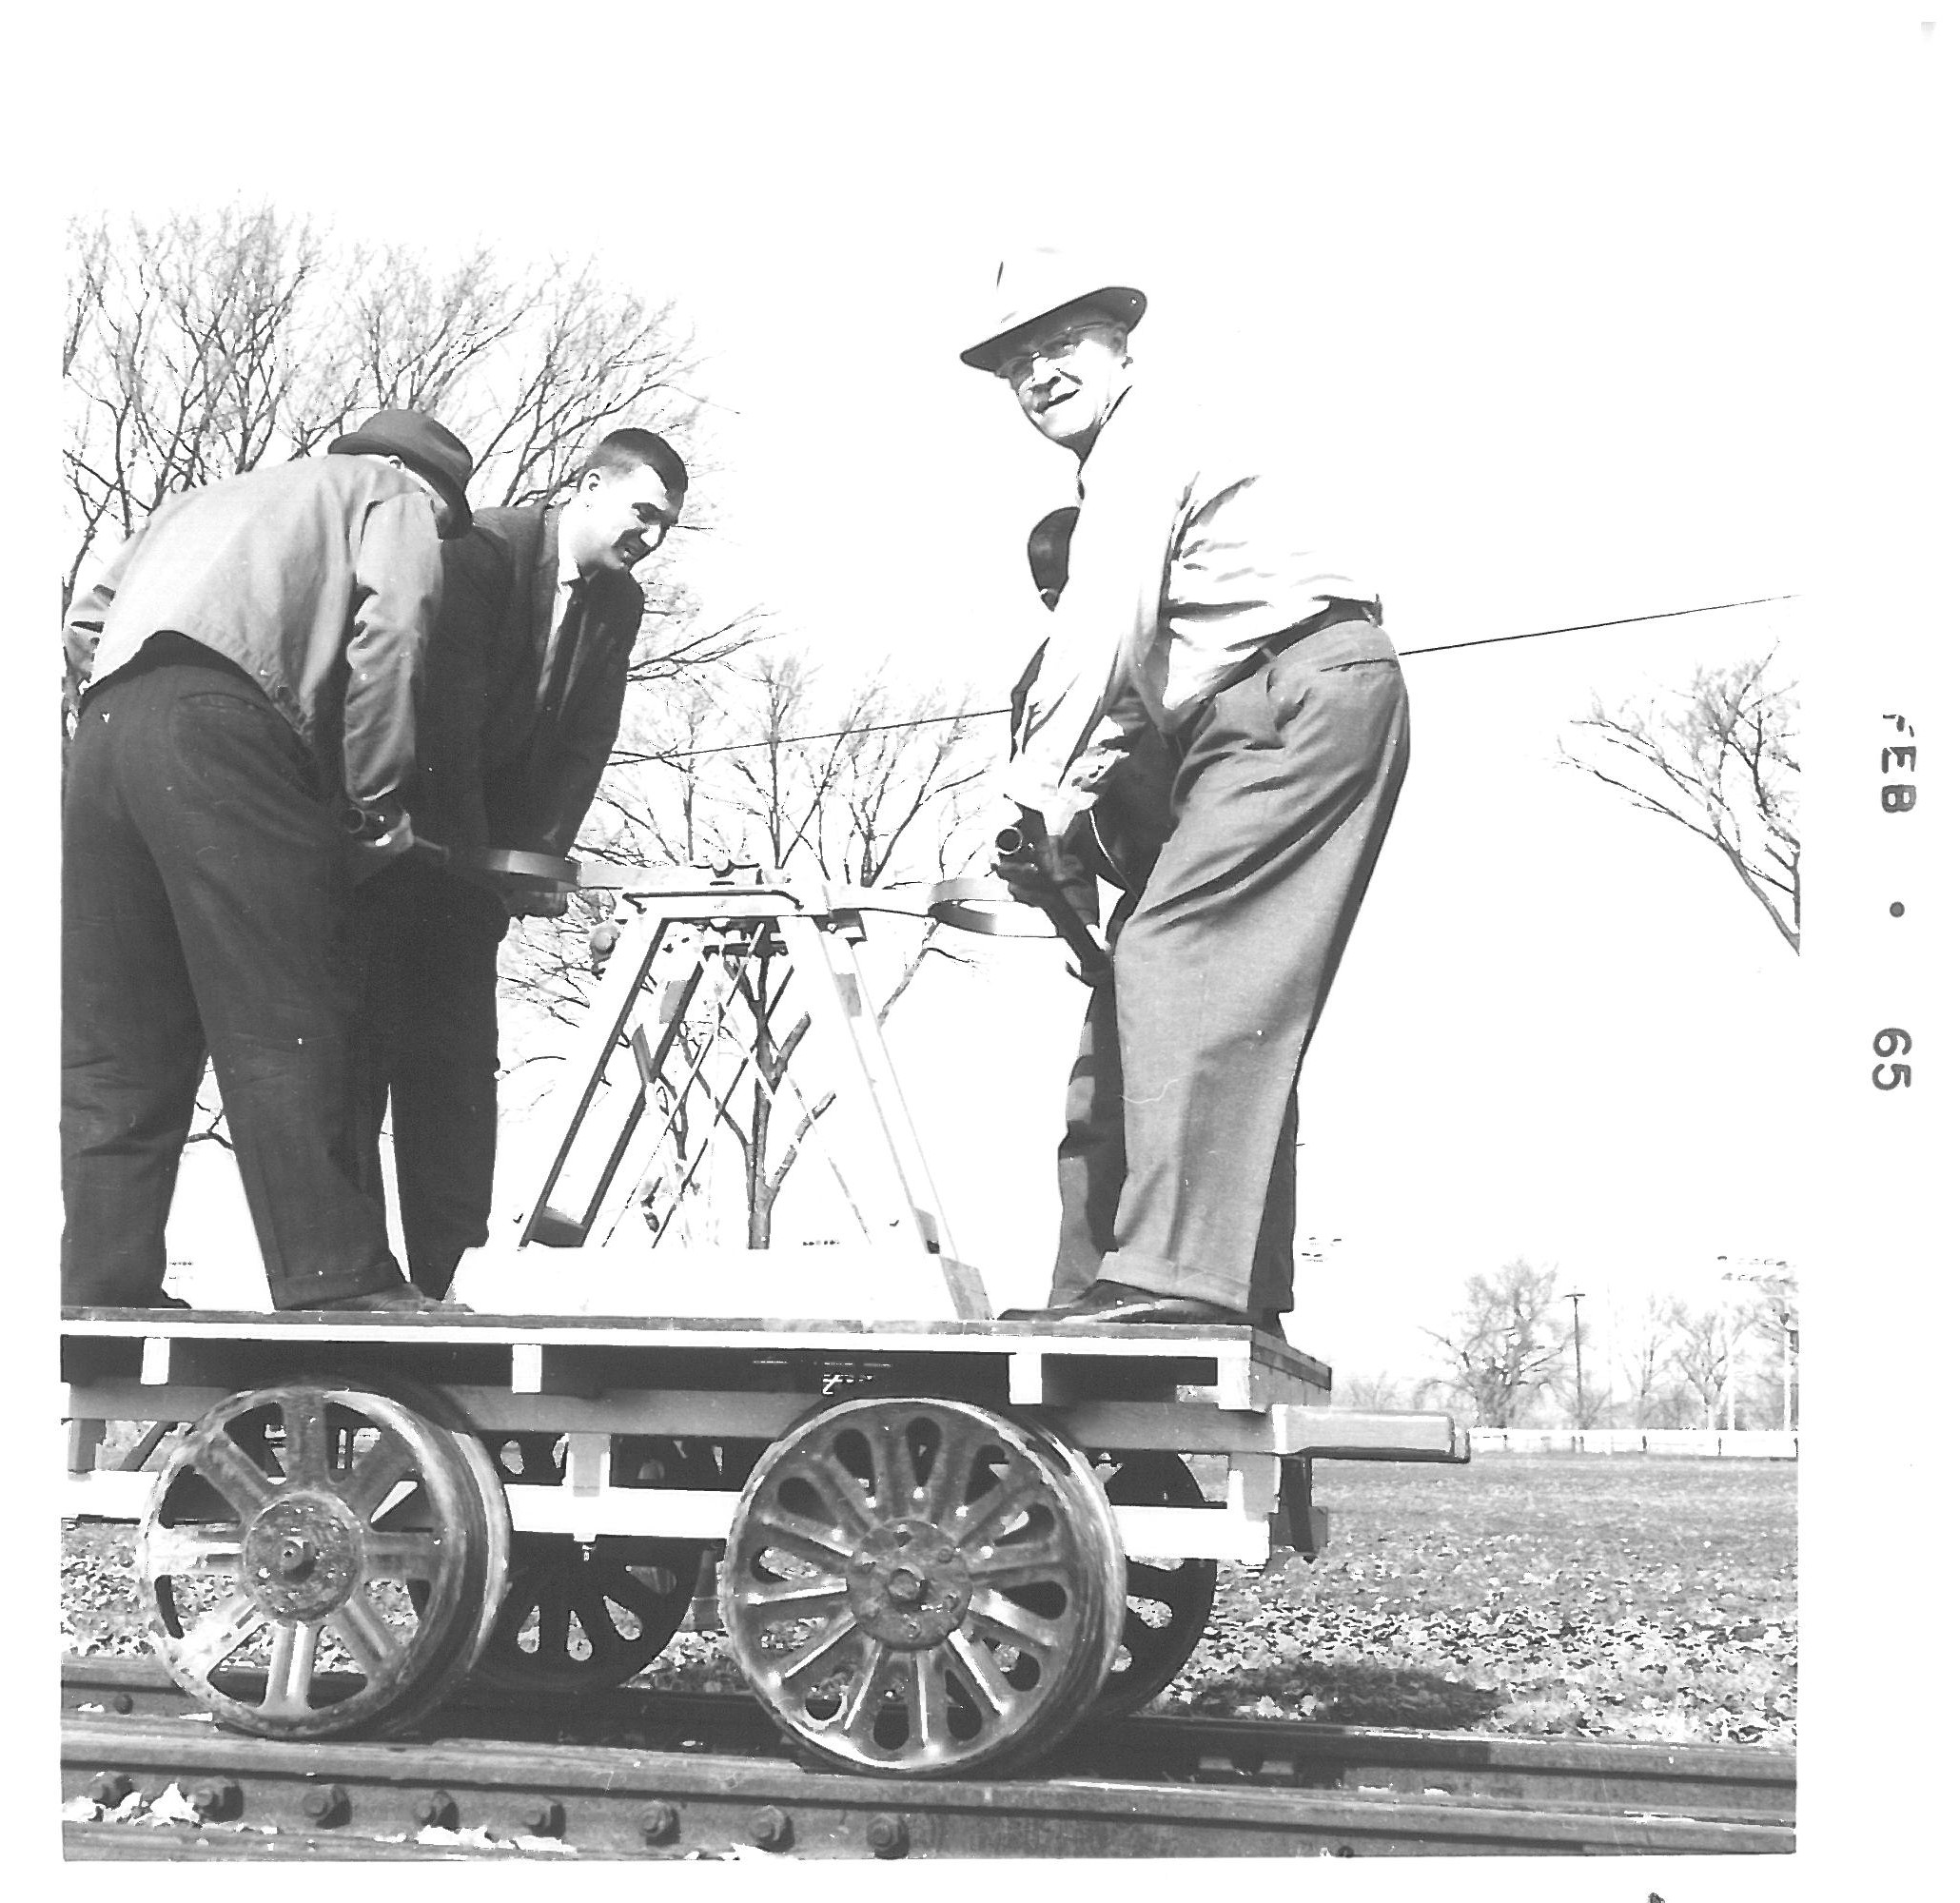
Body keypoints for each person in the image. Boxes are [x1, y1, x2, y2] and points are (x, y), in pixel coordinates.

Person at [964, 255, 1411, 1332]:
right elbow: (1140, 682)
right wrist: (1060, 803)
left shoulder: (1141, 440)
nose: (1039, 375)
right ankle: (1228, 1282)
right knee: (1220, 989)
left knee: (1175, 958)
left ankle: (1173, 1278)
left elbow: (1098, 631)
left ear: (1118, 344)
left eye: (1060, 346)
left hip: (1290, 693)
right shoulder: (1140, 448)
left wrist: (1029, 792)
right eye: (1017, 364)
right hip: (1265, 700)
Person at [61, 410, 477, 1314]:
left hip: (102, 735)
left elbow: (85, 621)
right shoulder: (391, 495)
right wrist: (372, 798)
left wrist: (137, 711)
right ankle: (339, 1276)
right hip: (229, 729)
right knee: (289, 1011)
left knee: (117, 1047)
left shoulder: (198, 502)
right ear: (434, 490)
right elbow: (393, 635)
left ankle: (101, 1283)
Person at [351, 427, 689, 1297]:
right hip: (405, 839)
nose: (648, 537)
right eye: (642, 513)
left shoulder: (619, 605)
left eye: (665, 528)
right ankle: (355, 1274)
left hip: (478, 861)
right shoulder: (484, 546)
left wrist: (536, 856)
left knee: (459, 1064)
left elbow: (587, 739)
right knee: (363, 1050)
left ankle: (451, 1277)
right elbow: (445, 717)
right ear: (588, 485)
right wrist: (472, 854)